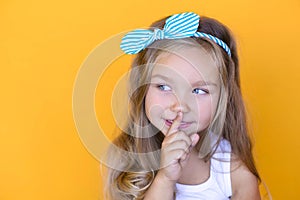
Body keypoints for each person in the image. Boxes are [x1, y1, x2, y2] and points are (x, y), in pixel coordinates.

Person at [104, 12, 261, 199]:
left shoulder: (233, 171)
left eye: (199, 91)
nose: (180, 106)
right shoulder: (125, 158)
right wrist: (165, 179)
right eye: (164, 87)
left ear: (224, 98)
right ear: (142, 88)